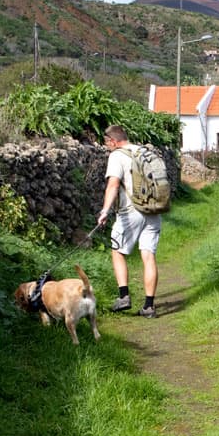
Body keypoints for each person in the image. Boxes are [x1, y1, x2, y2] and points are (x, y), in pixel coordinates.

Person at [96, 125, 160, 318]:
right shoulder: (146, 152)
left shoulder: (116, 155)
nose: (107, 147)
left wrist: (105, 211)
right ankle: (149, 306)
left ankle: (124, 296)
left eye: (107, 144)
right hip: (154, 209)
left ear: (113, 141)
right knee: (148, 256)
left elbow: (113, 185)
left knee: (117, 251)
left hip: (130, 210)